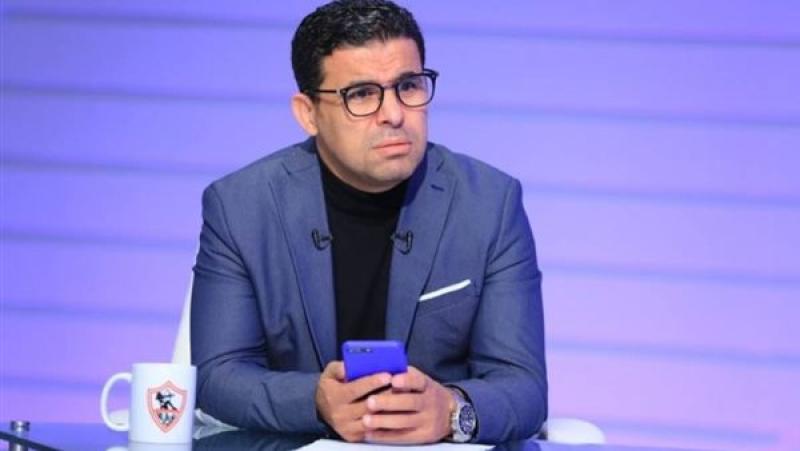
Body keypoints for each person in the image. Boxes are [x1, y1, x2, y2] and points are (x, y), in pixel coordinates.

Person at [191, 0, 547, 444]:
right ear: (308, 113)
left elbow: (524, 386)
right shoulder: (241, 207)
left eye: (408, 86)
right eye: (361, 94)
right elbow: (217, 375)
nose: (394, 114)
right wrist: (315, 400)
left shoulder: (490, 203)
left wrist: (452, 411)